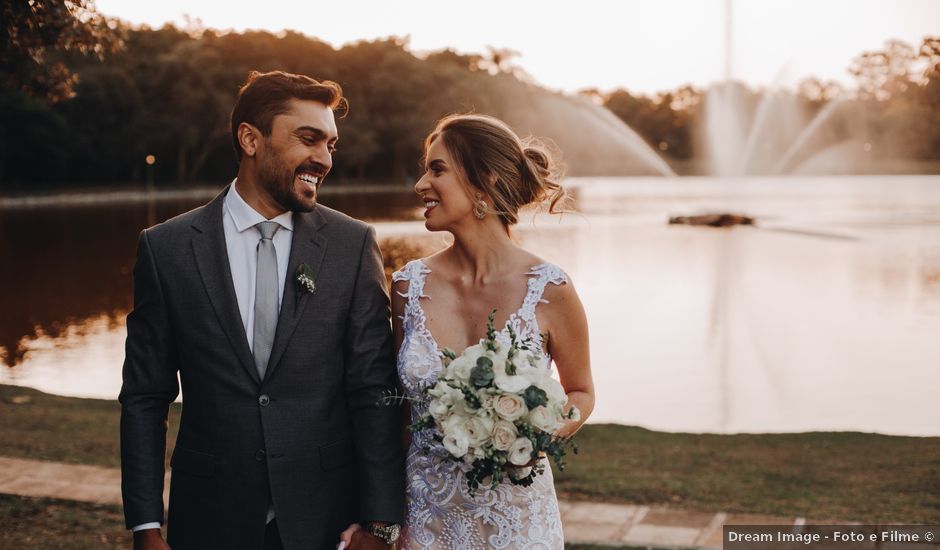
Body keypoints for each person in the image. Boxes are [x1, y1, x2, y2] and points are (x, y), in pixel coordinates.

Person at [120, 70, 404, 550]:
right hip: (209, 518)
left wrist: (380, 524)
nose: (324, 158)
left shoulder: (352, 245)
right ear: (250, 139)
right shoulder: (166, 249)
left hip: (327, 520)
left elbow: (373, 389)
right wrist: (145, 525)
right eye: (309, 139)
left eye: (331, 144)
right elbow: (146, 396)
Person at [391, 114, 595, 548]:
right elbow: (402, 414)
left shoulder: (550, 288)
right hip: (427, 516)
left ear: (483, 181)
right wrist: (388, 519)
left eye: (437, 169)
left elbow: (580, 392)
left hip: (518, 523)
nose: (421, 184)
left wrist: (531, 430)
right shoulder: (408, 287)